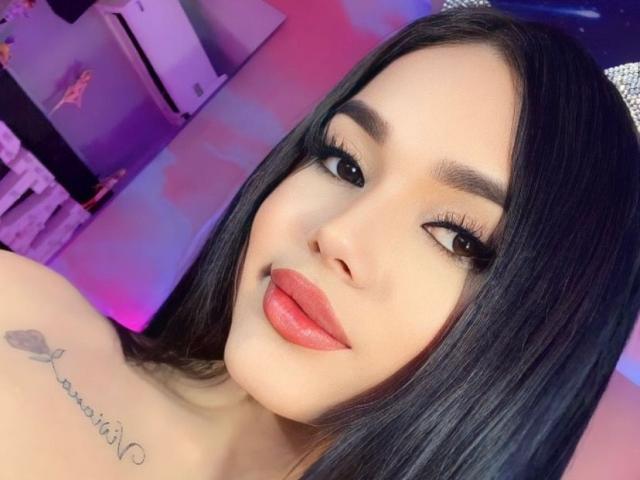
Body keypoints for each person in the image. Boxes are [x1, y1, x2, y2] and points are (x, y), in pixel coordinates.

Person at [1, 5, 638, 480]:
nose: (337, 234)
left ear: (543, 338)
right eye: (344, 164)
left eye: (458, 239)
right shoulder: (19, 312)